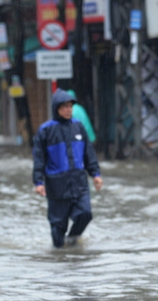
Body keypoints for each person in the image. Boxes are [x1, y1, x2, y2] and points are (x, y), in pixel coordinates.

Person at [32, 88, 103, 248]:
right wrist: (38, 182)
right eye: (65, 107)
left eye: (70, 106)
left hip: (79, 183)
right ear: (56, 108)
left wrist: (96, 174)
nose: (68, 110)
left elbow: (88, 153)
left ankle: (72, 241)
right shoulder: (46, 131)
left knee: (85, 214)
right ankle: (60, 256)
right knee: (58, 231)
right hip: (57, 186)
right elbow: (39, 159)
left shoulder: (78, 127)